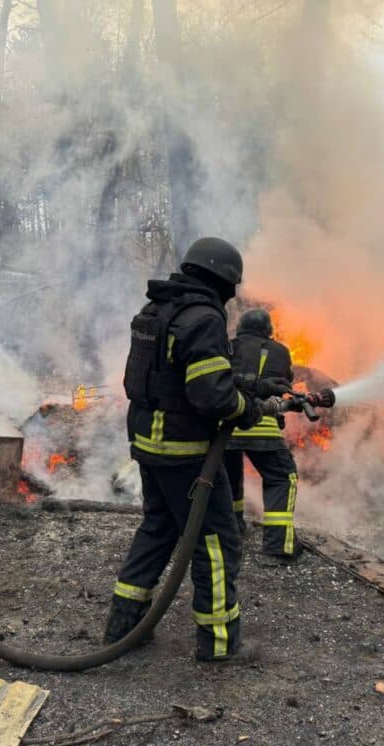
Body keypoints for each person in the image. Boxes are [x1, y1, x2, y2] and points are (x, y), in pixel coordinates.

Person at [105, 237, 266, 661]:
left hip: (148, 444)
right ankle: (217, 644)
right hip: (185, 452)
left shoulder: (156, 310)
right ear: (225, 281)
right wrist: (246, 409)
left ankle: (125, 624)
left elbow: (169, 377)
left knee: (158, 529)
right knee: (215, 541)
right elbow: (211, 396)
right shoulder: (202, 318)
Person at [225, 308, 304, 560]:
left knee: (229, 478)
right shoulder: (280, 350)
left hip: (226, 429)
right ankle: (277, 546)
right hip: (263, 428)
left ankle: (233, 530)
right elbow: (286, 380)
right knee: (282, 478)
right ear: (268, 330)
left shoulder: (228, 346)